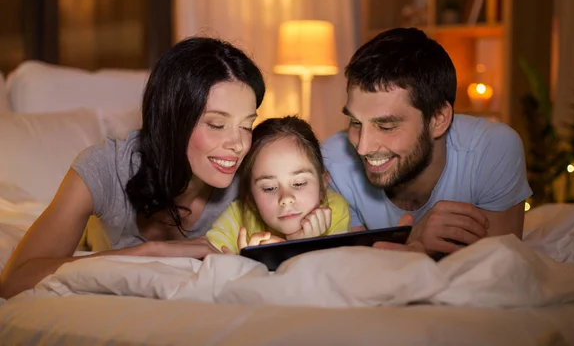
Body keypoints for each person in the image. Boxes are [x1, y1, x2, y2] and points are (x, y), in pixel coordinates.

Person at [0, 36, 266, 299]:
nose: (239, 144)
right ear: (171, 121)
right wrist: (148, 252)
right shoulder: (105, 168)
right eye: (217, 125)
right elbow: (14, 281)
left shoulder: (254, 174)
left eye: (246, 126)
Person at [321, 27, 532, 256]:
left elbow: (502, 273)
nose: (363, 147)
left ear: (438, 119)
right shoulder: (333, 163)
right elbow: (352, 275)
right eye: (355, 122)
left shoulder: (491, 149)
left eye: (386, 126)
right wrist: (413, 244)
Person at [207, 116, 351, 254]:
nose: (286, 198)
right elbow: (209, 261)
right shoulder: (238, 216)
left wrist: (301, 247)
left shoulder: (335, 212)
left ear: (323, 185)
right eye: (269, 188)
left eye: (299, 183)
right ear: (250, 197)